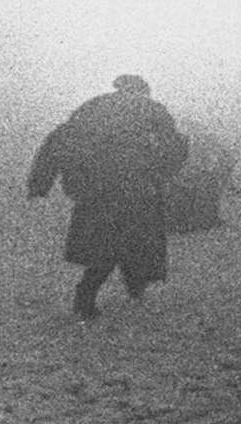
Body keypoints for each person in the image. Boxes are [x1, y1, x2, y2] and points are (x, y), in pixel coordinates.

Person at [27, 74, 189, 320]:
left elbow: (59, 140)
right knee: (135, 240)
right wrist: (163, 173)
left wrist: (40, 182)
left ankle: (107, 292)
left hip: (96, 187)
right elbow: (173, 145)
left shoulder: (93, 106)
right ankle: (113, 291)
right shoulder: (151, 108)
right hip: (137, 186)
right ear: (142, 90)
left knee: (105, 242)